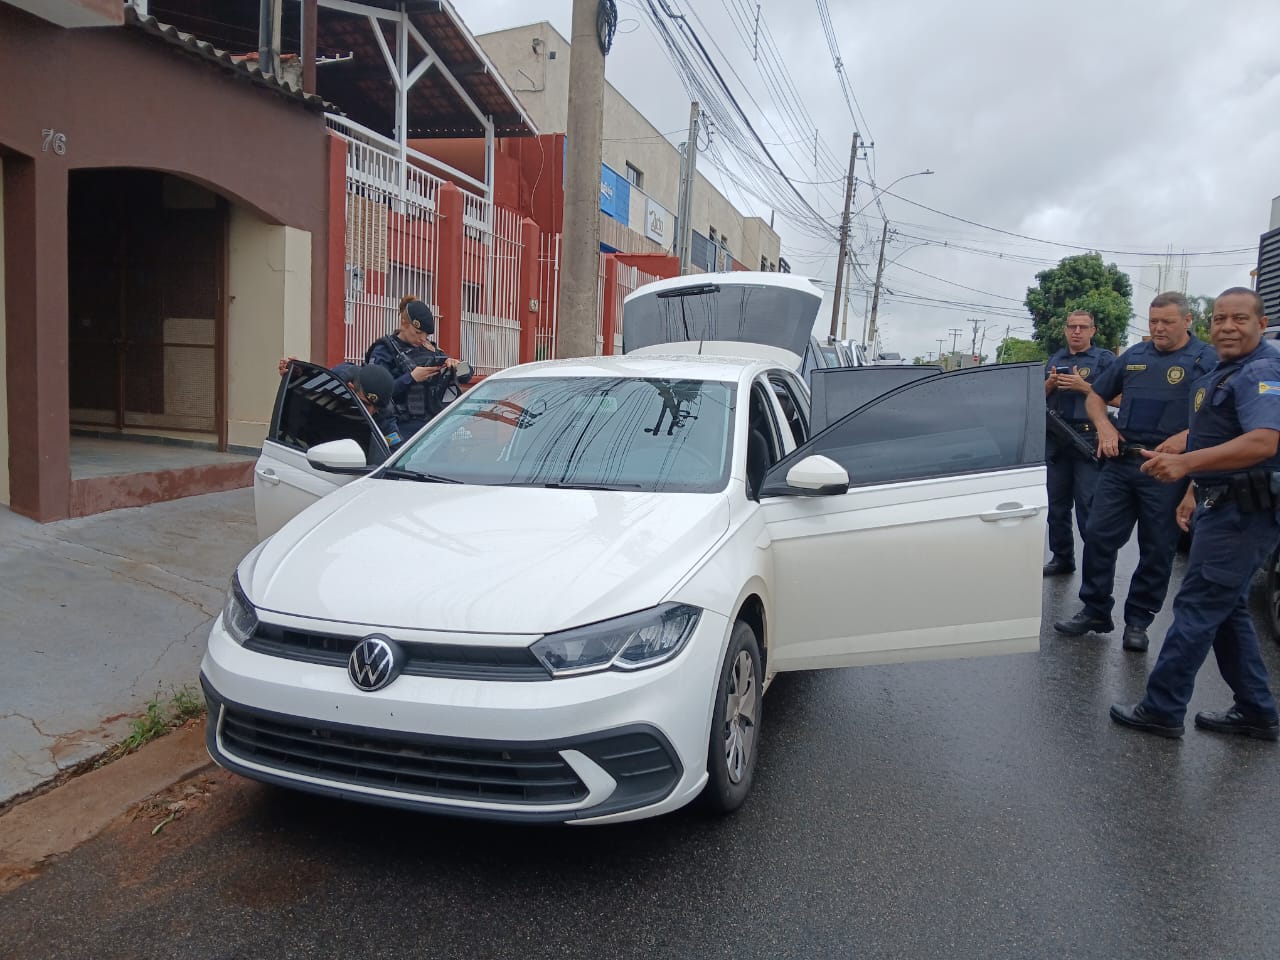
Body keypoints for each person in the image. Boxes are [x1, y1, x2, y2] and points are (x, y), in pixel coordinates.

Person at [1110, 287, 1280, 739]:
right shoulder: (1225, 373)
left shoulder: (1262, 371)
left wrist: (1185, 463)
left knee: (1198, 606)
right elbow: (1215, 440)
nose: (1227, 327)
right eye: (1220, 318)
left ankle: (1162, 708)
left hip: (1244, 513)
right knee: (1227, 610)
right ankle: (1258, 710)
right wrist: (1192, 489)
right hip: (1219, 502)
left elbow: (1265, 441)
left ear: (1261, 325)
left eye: (1240, 319)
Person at [1054, 292, 1217, 651]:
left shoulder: (1206, 359)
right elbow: (1097, 396)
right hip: (1121, 461)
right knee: (1097, 534)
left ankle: (1139, 620)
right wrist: (1105, 428)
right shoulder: (1135, 356)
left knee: (1157, 547)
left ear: (1187, 321)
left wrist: (1186, 436)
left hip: (1166, 469)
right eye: (1153, 321)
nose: (1158, 328)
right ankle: (1096, 609)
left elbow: (1221, 414)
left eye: (1167, 322)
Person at [1042, 310, 1117, 575]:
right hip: (1057, 439)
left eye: (1082, 327)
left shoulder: (1105, 360)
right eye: (1072, 327)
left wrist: (1084, 386)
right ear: (1065, 330)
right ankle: (1062, 558)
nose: (1076, 331)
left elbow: (1121, 399)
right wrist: (1050, 383)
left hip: (1088, 439)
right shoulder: (1056, 359)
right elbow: (1036, 397)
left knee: (1089, 505)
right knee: (1056, 504)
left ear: (1092, 331)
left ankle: (1095, 567)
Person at [365, 297, 469, 437]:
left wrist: (457, 366)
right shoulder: (384, 350)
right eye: (418, 333)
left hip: (434, 426)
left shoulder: (430, 349)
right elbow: (376, 394)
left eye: (426, 335)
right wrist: (411, 378)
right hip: (401, 428)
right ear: (404, 324)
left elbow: (467, 376)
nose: (422, 338)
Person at [277, 356, 403, 449]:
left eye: (375, 409)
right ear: (351, 387)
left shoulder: (384, 416)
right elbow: (302, 399)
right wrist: (295, 376)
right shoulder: (331, 387)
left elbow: (392, 454)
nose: (370, 412)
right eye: (364, 404)